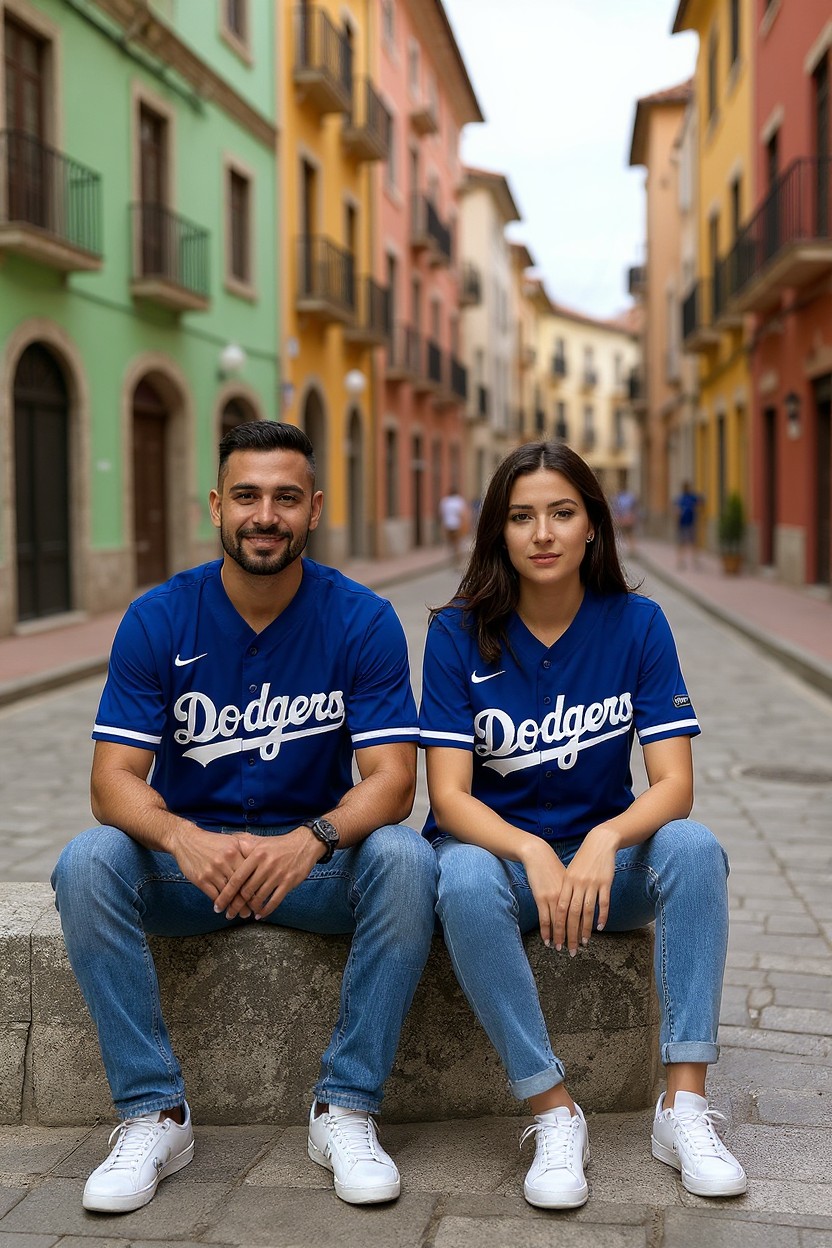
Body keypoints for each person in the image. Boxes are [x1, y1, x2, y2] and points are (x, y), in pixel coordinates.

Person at [52, 420, 437, 1213]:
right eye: (248, 496)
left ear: (316, 509)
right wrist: (178, 837)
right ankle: (153, 1111)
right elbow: (112, 780)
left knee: (407, 859)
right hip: (193, 872)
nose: (266, 515)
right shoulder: (159, 618)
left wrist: (314, 839)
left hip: (313, 870)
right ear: (216, 506)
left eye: (286, 498)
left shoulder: (361, 620)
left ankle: (346, 1108)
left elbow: (394, 781)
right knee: (88, 861)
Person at [419, 441, 745, 1211]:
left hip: (604, 873)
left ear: (593, 525)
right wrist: (531, 847)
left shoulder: (638, 624)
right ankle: (553, 1111)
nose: (542, 533)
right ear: (496, 530)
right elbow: (449, 797)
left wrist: (605, 838)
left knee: (695, 851)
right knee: (458, 872)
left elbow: (674, 787)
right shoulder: (455, 633)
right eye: (521, 515)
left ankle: (683, 1108)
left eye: (562, 513)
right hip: (504, 868)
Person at [438, 485, 470, 569]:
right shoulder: (459, 501)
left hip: (448, 525)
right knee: (458, 544)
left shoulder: (445, 501)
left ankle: (453, 561)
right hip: (457, 525)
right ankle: (458, 562)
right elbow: (463, 514)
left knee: (451, 544)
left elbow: (442, 514)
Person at [675, 481, 703, 570]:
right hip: (685, 523)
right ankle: (684, 561)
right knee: (687, 543)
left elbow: (700, 501)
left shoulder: (689, 497)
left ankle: (691, 561)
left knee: (687, 543)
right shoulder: (683, 498)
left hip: (688, 523)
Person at [612, 486, 638, 555]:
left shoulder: (619, 498)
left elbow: (617, 509)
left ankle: (631, 549)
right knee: (628, 534)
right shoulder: (630, 497)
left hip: (625, 519)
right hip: (627, 519)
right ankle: (631, 549)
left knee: (627, 534)